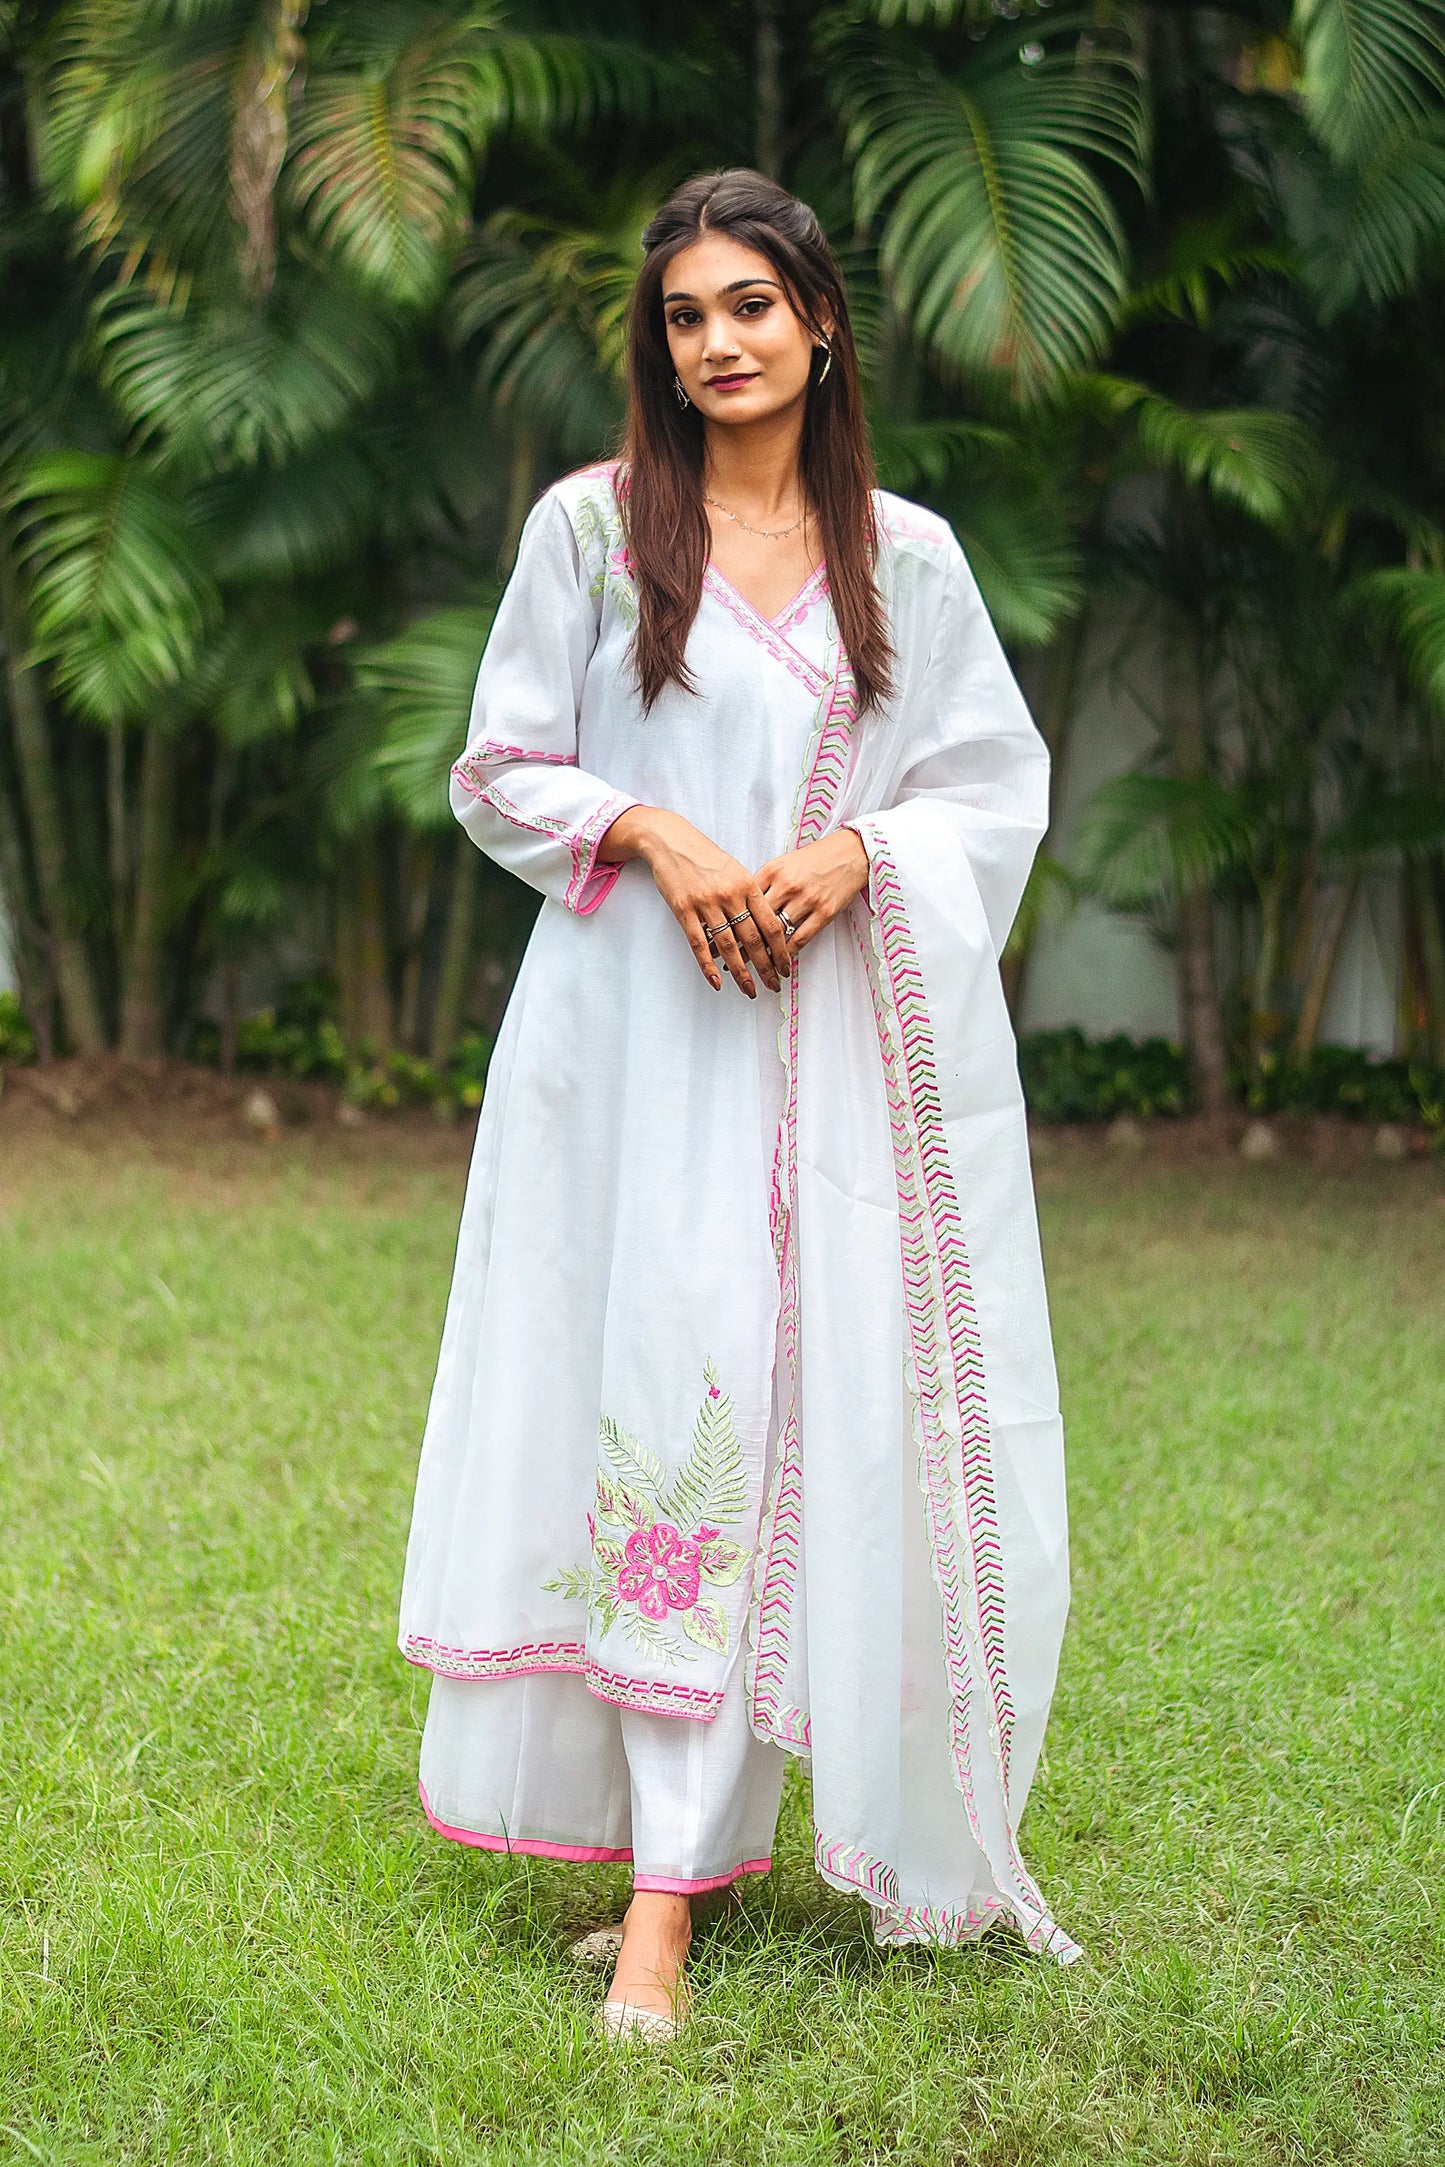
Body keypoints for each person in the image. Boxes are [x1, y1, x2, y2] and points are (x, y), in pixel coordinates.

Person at [398, 168, 1078, 2044]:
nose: (718, 343)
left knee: (799, 1413)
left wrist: (857, 852)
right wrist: (657, 830)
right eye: (687, 316)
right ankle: (656, 1896)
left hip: (827, 1061)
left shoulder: (907, 560)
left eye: (751, 308)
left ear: (820, 322)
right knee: (654, 1410)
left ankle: (745, 1835)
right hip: (626, 1050)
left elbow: (987, 788)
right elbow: (496, 765)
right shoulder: (594, 533)